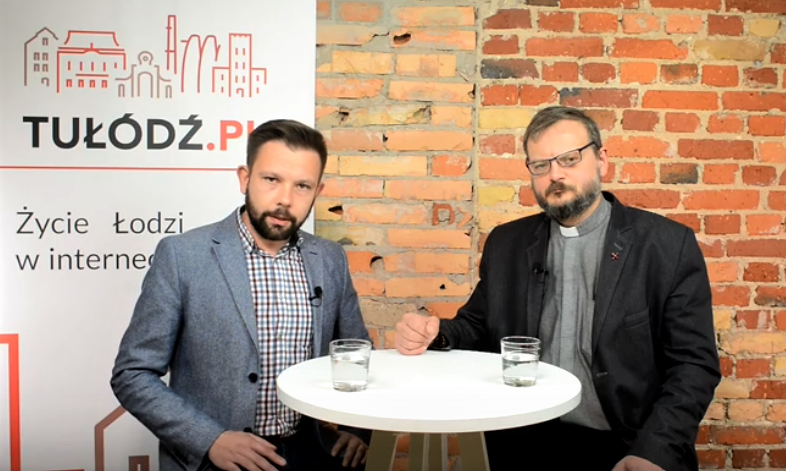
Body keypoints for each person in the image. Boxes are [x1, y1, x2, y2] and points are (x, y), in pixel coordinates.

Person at [394, 106, 720, 471]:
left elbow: (693, 365)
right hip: (522, 440)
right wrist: (436, 333)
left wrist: (653, 451)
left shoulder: (666, 245)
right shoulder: (507, 243)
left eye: (569, 159)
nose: (555, 175)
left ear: (601, 159)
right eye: (541, 165)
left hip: (627, 443)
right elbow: (477, 325)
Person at [112, 119, 372, 471]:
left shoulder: (330, 259)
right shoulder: (183, 255)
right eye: (271, 179)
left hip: (308, 456)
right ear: (244, 178)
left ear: (318, 191)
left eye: (302, 186)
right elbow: (132, 373)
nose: (285, 199)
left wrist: (356, 429)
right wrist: (209, 439)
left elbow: (355, 352)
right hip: (213, 462)